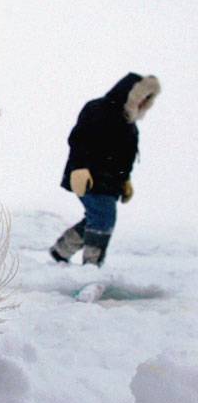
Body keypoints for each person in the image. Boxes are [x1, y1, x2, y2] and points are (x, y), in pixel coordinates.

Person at [50, 73, 160, 266]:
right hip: (89, 177)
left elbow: (126, 158)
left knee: (97, 217)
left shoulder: (130, 124)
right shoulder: (97, 108)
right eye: (142, 96)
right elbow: (78, 139)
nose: (144, 102)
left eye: (148, 99)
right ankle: (91, 264)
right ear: (132, 94)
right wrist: (79, 168)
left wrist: (125, 180)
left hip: (111, 182)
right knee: (103, 217)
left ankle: (62, 250)